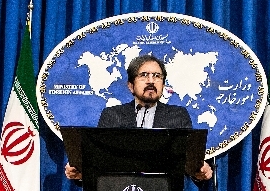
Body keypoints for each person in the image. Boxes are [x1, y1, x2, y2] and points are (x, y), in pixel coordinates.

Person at [65, 54, 212, 180]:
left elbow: (187, 162)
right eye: (144, 75)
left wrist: (199, 171)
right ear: (131, 86)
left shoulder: (177, 115)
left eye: (157, 76)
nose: (151, 81)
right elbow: (99, 160)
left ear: (163, 85)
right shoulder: (112, 115)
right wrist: (81, 172)